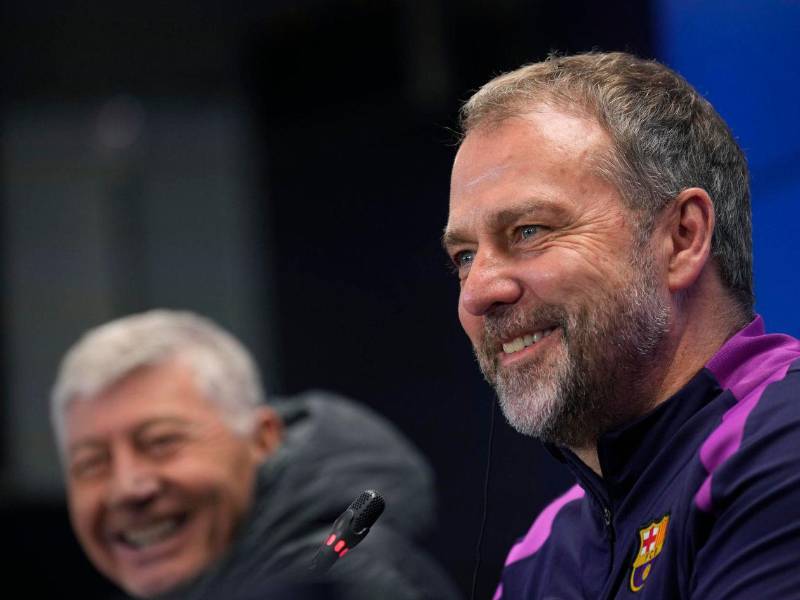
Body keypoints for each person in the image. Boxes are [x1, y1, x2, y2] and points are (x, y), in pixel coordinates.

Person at [443, 51, 800, 598]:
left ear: (681, 238)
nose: (478, 292)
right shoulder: (540, 554)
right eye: (464, 256)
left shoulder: (781, 442)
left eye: (529, 231)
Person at [51, 309, 460, 600]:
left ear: (263, 438)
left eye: (161, 442)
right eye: (91, 463)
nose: (127, 487)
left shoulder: (349, 587)